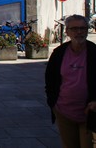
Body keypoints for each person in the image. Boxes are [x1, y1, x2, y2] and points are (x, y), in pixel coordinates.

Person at [45, 14, 96, 148]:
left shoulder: (94, 52)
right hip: (64, 111)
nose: (79, 32)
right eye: (74, 29)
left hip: (89, 112)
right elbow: (50, 79)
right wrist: (53, 102)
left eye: (82, 28)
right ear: (67, 31)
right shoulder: (59, 53)